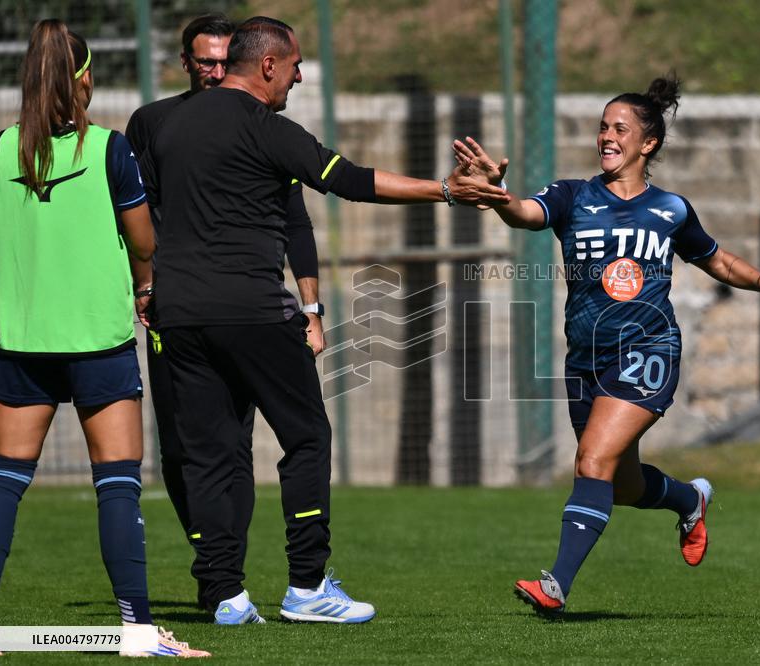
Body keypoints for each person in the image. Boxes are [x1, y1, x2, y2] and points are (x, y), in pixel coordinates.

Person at [140, 16, 509, 625]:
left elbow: (137, 211)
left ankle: (224, 594)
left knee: (206, 456)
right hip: (253, 313)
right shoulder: (268, 129)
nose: (299, 75)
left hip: (177, 314)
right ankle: (307, 586)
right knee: (307, 437)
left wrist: (147, 284)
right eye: (294, 65)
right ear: (267, 66)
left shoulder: (165, 125)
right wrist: (445, 190)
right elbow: (354, 182)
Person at [453, 72, 760, 615]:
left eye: (619, 128)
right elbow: (525, 215)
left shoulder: (671, 209)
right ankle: (689, 499)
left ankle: (555, 585)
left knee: (592, 461)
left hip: (649, 350)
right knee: (620, 485)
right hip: (585, 359)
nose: (606, 136)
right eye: (602, 127)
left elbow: (717, 259)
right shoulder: (571, 196)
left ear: (647, 144)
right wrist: (497, 193)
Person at [0, 19, 209, 657]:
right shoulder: (110, 150)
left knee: (6, 482)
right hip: (99, 340)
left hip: (20, 343)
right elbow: (144, 240)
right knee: (116, 482)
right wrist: (145, 287)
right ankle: (137, 630)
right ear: (84, 79)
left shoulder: (0, 149)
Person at [125, 13, 324, 611]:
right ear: (186, 64)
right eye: (204, 61)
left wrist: (311, 306)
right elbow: (139, 213)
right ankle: (232, 580)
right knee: (193, 452)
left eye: (222, 60)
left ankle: (230, 585)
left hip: (237, 310)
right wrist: (148, 286)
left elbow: (295, 218)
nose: (215, 70)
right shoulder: (157, 124)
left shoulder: (261, 125)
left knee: (239, 446)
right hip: (178, 310)